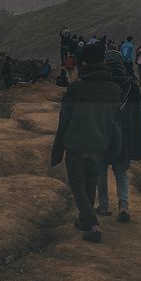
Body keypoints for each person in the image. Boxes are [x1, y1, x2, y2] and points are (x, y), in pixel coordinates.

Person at [51, 42, 120, 243]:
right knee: (90, 182)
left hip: (76, 143)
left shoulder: (76, 89)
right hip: (100, 144)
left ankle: (91, 222)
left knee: (77, 185)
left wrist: (57, 149)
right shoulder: (114, 90)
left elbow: (64, 119)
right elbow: (114, 120)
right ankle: (84, 219)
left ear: (85, 63)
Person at [95, 48, 141, 222]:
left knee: (100, 172)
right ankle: (123, 206)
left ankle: (103, 206)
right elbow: (137, 115)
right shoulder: (131, 84)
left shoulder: (98, 83)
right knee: (121, 173)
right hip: (124, 136)